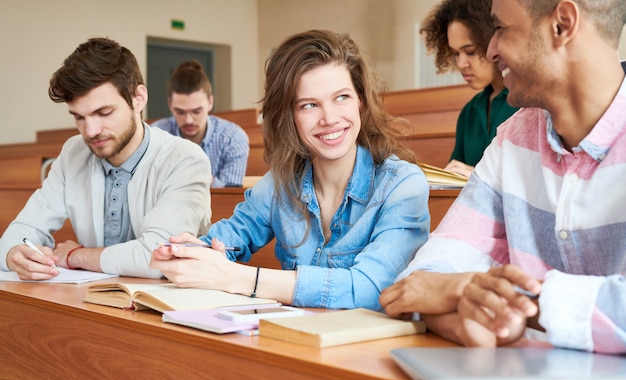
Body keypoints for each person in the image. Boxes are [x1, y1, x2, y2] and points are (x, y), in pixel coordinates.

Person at [380, 0, 626, 354]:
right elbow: (416, 285)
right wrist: (465, 304)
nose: (490, 50)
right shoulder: (513, 139)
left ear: (562, 25)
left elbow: (441, 289)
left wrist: (488, 297)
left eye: (500, 29)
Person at [151, 29, 430, 311]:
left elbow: (373, 289)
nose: (330, 118)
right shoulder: (280, 183)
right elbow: (227, 239)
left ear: (361, 100)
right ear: (289, 116)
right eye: (309, 105)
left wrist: (239, 278)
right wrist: (184, 253)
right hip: (292, 342)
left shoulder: (402, 185)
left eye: (342, 97)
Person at [0, 37, 212, 280]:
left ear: (138, 98)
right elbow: (21, 231)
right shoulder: (74, 152)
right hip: (96, 301)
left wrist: (77, 256)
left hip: (168, 307)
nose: (90, 131)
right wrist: (16, 255)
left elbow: (157, 258)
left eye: (104, 113)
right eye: (79, 117)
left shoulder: (185, 159)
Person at [420, 0, 518, 178]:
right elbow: (455, 175)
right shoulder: (469, 112)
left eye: (470, 51)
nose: (461, 64)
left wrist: (478, 175)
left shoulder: (526, 103)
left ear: (492, 41)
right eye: (456, 53)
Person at [151, 60, 250, 187]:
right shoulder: (156, 135)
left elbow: (230, 194)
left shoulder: (233, 138)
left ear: (210, 103)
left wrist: (193, 175)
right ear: (170, 104)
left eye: (196, 111)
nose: (188, 120)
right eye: (180, 112)